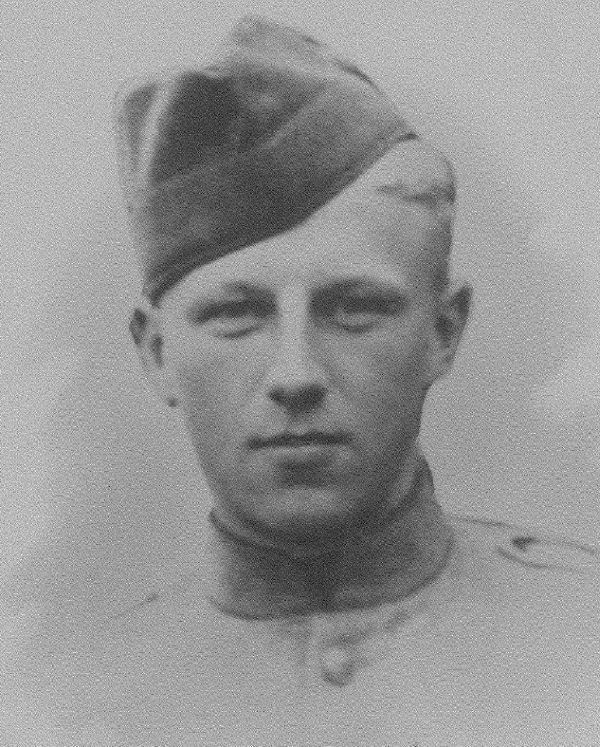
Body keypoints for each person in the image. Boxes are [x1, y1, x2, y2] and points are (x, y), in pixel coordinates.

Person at [3, 15, 599, 747]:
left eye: (355, 309)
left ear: (443, 333)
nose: (296, 375)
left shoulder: (580, 637)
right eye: (236, 314)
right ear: (157, 352)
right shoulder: (64, 696)